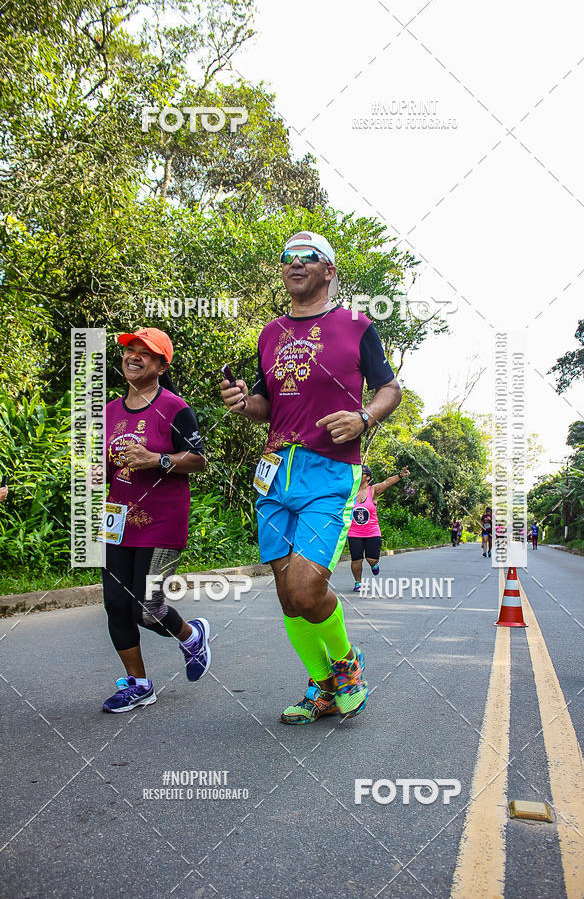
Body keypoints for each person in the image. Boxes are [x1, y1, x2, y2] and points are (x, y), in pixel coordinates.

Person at [220, 231, 401, 725]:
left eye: (308, 257)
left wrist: (365, 418)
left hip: (330, 472)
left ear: (329, 271)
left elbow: (390, 387)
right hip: (275, 473)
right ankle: (322, 689)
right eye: (287, 257)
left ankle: (347, 665)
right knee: (285, 596)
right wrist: (243, 402)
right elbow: (265, 406)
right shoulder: (269, 333)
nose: (295, 263)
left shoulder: (357, 326)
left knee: (305, 589)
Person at [101, 327, 210, 713]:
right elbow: (105, 464)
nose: (133, 356)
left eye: (144, 352)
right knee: (116, 603)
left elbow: (198, 461)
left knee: (147, 608)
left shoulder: (175, 409)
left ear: (162, 364)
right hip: (118, 522)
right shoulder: (109, 411)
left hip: (163, 524)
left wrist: (158, 459)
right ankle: (138, 683)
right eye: (130, 349)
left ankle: (192, 636)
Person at [347, 464, 410, 591]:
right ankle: (357, 583)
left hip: (372, 532)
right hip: (354, 532)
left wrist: (400, 476)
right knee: (356, 560)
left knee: (371, 559)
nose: (358, 475)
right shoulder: (350, 491)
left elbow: (386, 482)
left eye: (362, 473)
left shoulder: (373, 490)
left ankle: (374, 565)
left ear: (368, 477)